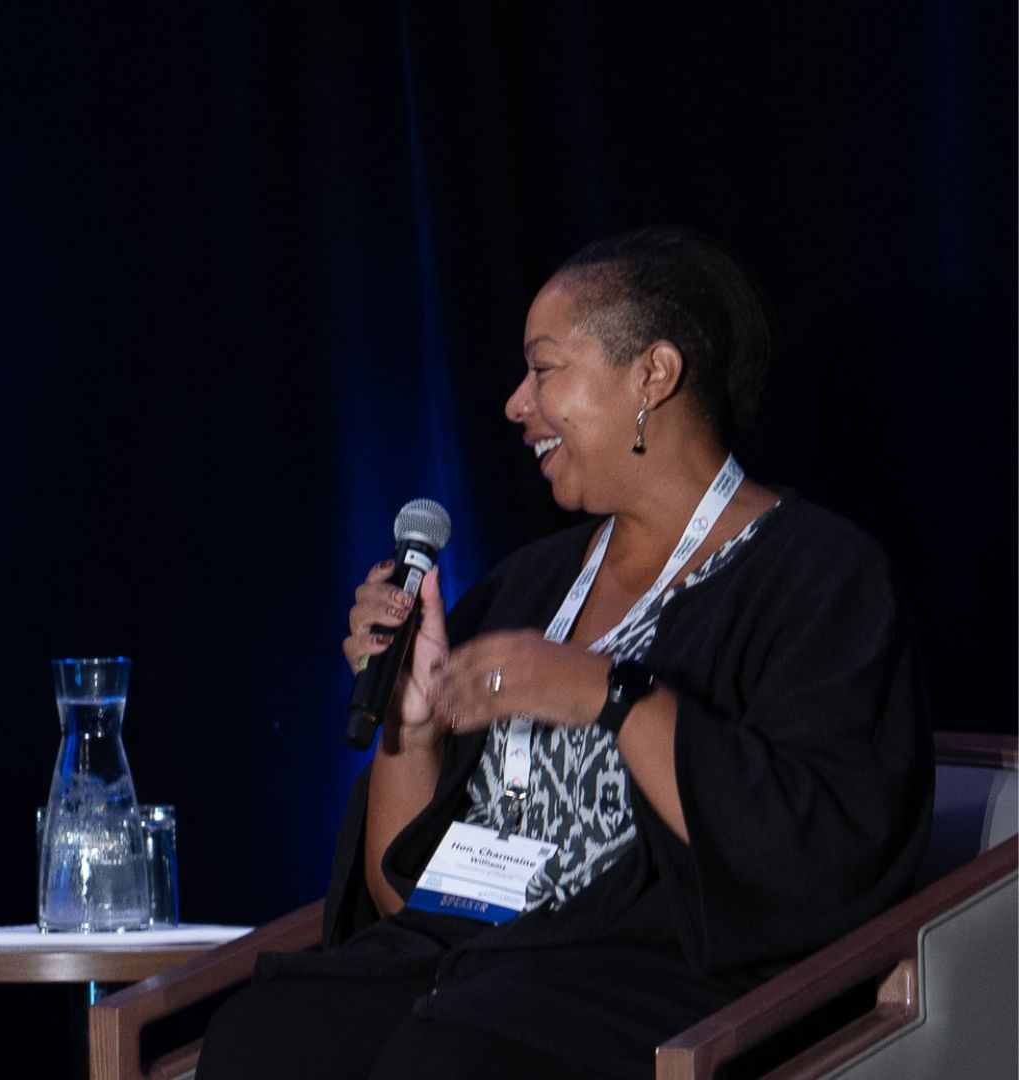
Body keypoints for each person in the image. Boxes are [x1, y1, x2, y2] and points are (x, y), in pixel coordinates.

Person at [198, 227, 930, 1079]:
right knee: (263, 1036)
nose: (517, 404)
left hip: (657, 985)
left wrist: (609, 695)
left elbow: (813, 861)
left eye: (544, 370)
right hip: (476, 963)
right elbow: (407, 900)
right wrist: (414, 721)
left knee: (450, 1059)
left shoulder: (821, 579)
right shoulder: (526, 587)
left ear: (653, 374)